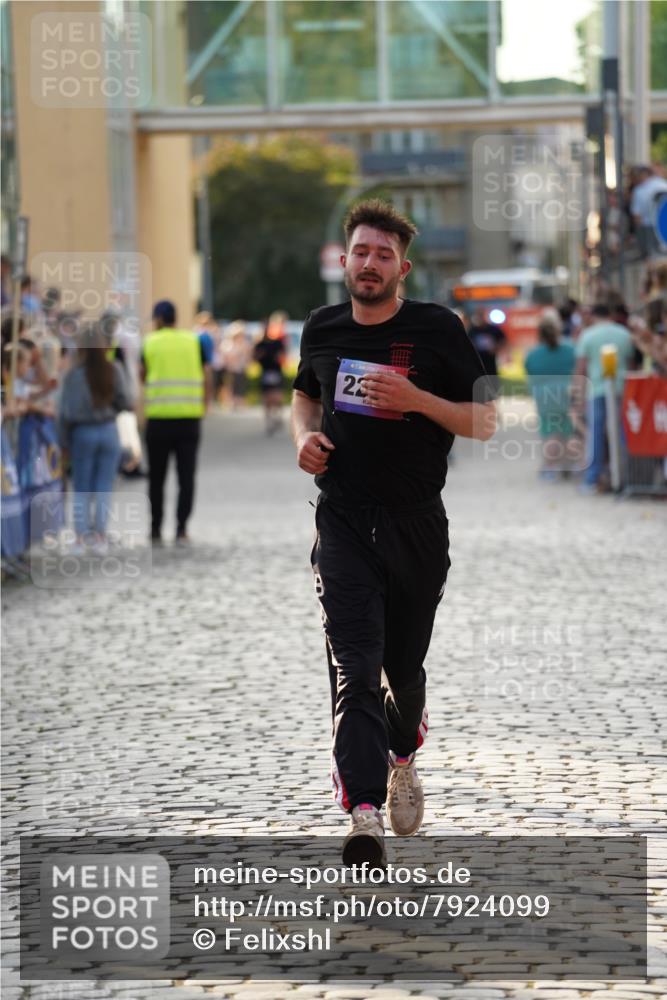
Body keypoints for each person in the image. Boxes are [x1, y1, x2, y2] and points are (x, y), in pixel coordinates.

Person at [291, 199, 496, 865]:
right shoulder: (320, 328)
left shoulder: (436, 328)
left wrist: (417, 402)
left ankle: (404, 751)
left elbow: (486, 421)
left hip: (416, 528)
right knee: (353, 667)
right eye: (360, 252)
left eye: (383, 254)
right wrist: (304, 437)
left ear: (401, 267)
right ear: (343, 259)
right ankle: (362, 810)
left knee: (400, 670)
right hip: (343, 521)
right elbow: (303, 395)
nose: (369, 263)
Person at [56, 322, 132, 553]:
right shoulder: (114, 369)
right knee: (103, 487)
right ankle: (99, 536)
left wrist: (63, 442)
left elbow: (64, 411)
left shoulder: (73, 375)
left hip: (82, 432)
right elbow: (126, 401)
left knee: (81, 486)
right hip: (108, 430)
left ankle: (80, 537)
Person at [141, 300, 207, 546]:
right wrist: (205, 404)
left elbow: (142, 373)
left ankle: (155, 528)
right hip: (189, 418)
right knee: (186, 477)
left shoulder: (149, 342)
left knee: (156, 478)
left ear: (158, 319)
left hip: (158, 419)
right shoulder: (193, 341)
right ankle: (181, 528)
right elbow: (207, 373)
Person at [573, 302, 634, 492]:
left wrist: (578, 396)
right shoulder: (624, 334)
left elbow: (582, 368)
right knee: (622, 433)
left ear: (593, 316)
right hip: (622, 388)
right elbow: (630, 364)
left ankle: (593, 477)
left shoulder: (588, 335)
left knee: (596, 435)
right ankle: (626, 475)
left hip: (597, 390)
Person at [525, 314, 577, 478]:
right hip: (567, 393)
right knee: (567, 431)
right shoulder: (570, 348)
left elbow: (530, 373)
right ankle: (567, 464)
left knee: (549, 431)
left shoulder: (533, 354)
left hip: (543, 396)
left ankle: (549, 467)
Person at [254, 312, 287, 434]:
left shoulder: (277, 342)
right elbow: (254, 358)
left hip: (275, 371)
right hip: (266, 372)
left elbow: (283, 356)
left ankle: (277, 416)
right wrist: (259, 356)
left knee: (277, 396)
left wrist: (279, 358)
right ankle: (268, 421)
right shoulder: (259, 344)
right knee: (266, 397)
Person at [630, 166, 667, 259]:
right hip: (663, 227)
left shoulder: (639, 190)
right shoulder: (664, 185)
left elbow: (636, 216)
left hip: (648, 228)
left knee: (652, 258)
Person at [466, 306, 506, 377]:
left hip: (490, 361)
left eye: (481, 315)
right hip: (478, 361)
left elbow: (503, 340)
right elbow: (468, 343)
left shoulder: (493, 329)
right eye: (479, 315)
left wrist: (496, 348)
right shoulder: (473, 330)